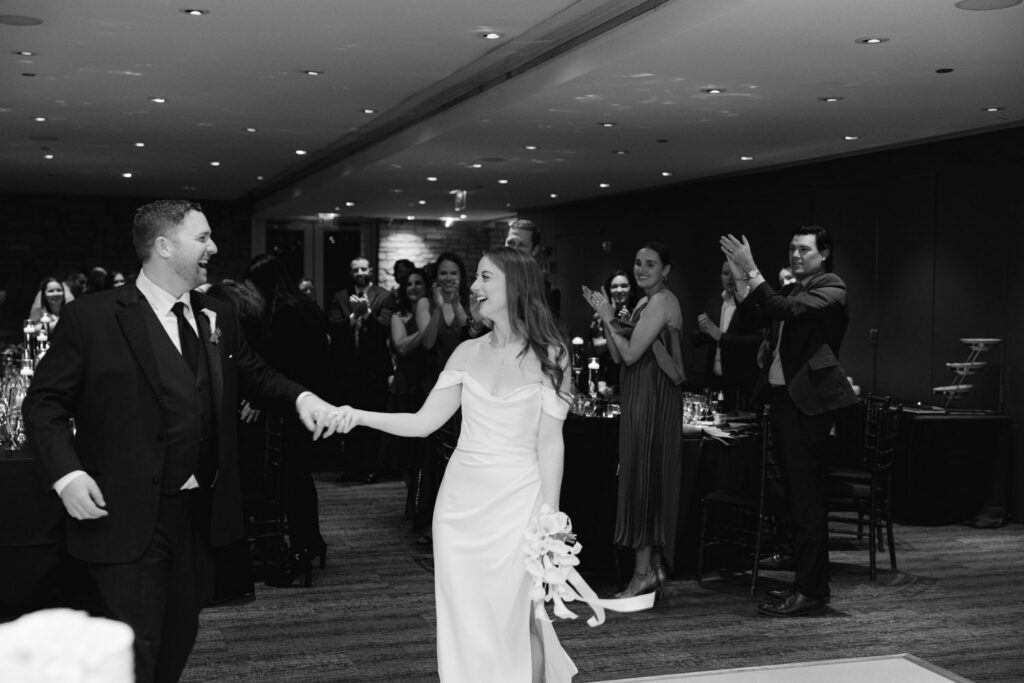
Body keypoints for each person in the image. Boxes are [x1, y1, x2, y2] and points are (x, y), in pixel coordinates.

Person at [22, 199, 343, 683]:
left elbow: (256, 375)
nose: (213, 248)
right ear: (164, 246)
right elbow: (43, 404)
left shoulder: (218, 316)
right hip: (126, 515)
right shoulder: (92, 318)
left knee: (178, 636)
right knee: (135, 644)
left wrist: (303, 400)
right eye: (203, 238)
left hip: (198, 515)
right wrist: (67, 474)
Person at [335, 246, 576, 682]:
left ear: (515, 285)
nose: (474, 287)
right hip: (461, 507)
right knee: (467, 617)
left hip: (520, 501)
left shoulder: (553, 355)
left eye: (486, 278)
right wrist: (358, 415)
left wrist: (552, 516)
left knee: (524, 616)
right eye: (476, 278)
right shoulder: (466, 353)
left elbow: (550, 441)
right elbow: (423, 422)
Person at [720, 225, 858, 617]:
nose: (796, 255)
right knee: (795, 500)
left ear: (824, 253)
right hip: (785, 403)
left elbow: (784, 310)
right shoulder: (796, 288)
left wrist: (753, 271)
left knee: (807, 500)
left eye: (804, 249)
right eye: (792, 248)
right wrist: (745, 280)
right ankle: (805, 585)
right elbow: (764, 315)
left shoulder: (832, 287)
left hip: (808, 408)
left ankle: (812, 590)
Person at [582, 242, 684, 598]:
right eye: (638, 262)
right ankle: (652, 568)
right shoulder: (642, 302)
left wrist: (609, 315)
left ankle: (641, 575)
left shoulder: (662, 301)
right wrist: (608, 317)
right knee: (643, 474)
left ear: (666, 269)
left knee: (645, 477)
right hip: (639, 395)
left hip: (654, 400)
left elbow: (629, 353)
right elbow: (616, 352)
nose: (641, 269)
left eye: (650, 264)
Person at [245, 254, 332, 587]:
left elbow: (281, 367)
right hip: (310, 402)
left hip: (297, 406)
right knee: (299, 480)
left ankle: (301, 550)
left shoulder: (284, 313)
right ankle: (311, 542)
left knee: (291, 482)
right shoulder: (301, 305)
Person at [328, 256, 394, 483]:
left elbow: (386, 328)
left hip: (374, 370)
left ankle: (370, 468)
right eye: (356, 269)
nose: (360, 272)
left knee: (372, 419)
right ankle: (350, 468)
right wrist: (354, 316)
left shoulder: (385, 296)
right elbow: (334, 327)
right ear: (350, 272)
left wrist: (367, 315)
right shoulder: (339, 297)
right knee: (347, 419)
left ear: (371, 270)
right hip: (347, 369)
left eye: (364, 268)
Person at [380, 267, 437, 520]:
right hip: (404, 387)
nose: (413, 287)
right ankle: (413, 500)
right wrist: (425, 330)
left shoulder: (433, 311)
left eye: (418, 283)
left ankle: (422, 503)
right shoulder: (398, 316)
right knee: (404, 452)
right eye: (409, 284)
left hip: (426, 386)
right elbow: (401, 347)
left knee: (424, 451)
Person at [691, 261, 765, 411]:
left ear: (743, 277)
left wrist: (721, 337)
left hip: (741, 385)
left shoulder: (752, 306)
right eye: (726, 274)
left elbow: (757, 341)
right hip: (714, 382)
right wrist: (702, 331)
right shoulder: (714, 303)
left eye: (734, 274)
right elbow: (697, 340)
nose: (730, 279)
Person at [587, 269, 638, 389]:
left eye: (624, 286)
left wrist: (629, 324)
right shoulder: (599, 315)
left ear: (631, 290)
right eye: (614, 287)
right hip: (606, 379)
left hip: (633, 378)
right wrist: (612, 321)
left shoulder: (637, 314)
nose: (619, 290)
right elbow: (599, 347)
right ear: (609, 291)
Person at [505, 218, 561, 316]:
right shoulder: (489, 281)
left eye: (522, 245)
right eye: (511, 243)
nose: (514, 250)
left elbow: (550, 330)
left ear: (534, 250)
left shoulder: (547, 292)